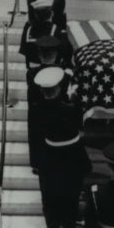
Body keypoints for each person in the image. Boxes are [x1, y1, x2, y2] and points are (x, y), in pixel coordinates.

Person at [32, 66, 90, 228]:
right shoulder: (72, 109)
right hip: (72, 161)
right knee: (70, 207)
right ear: (60, 87)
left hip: (49, 161)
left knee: (51, 207)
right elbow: (80, 133)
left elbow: (36, 137)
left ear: (42, 90)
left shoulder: (37, 110)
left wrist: (37, 163)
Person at [26, 35, 74, 173]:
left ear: (39, 55)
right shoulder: (65, 74)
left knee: (37, 137)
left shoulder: (31, 73)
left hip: (38, 111)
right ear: (57, 54)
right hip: (60, 111)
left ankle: (37, 164)